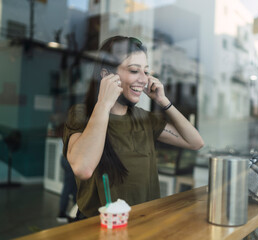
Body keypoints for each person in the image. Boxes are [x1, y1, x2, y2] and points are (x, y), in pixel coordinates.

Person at [62, 36, 204, 220]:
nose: (144, 79)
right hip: (101, 228)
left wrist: (164, 101)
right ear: (106, 75)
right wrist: (104, 104)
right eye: (134, 70)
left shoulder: (145, 118)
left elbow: (195, 142)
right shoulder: (82, 115)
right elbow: (83, 168)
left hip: (144, 224)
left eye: (146, 71)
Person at [57, 155, 77, 223]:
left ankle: (76, 212)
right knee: (68, 187)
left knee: (74, 187)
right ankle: (61, 214)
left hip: (65, 158)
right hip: (70, 159)